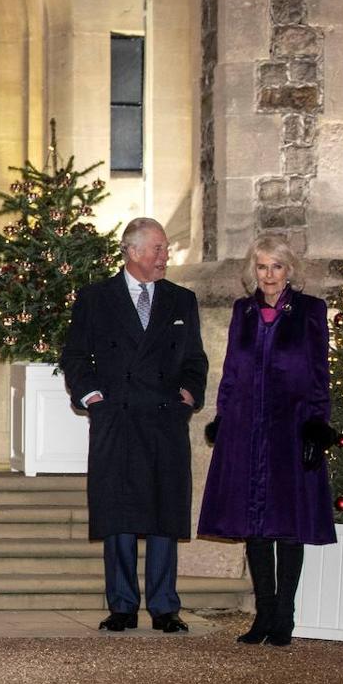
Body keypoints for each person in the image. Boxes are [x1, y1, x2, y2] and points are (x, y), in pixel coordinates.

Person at [59, 217, 208, 633]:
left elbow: (196, 360)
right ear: (132, 251)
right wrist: (93, 397)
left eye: (165, 249)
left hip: (164, 419)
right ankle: (122, 604)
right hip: (117, 420)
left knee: (164, 513)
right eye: (158, 248)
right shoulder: (95, 298)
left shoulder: (182, 300)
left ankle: (164, 607)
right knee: (119, 513)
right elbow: (74, 356)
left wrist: (189, 394)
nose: (165, 256)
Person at [198, 233, 337, 646]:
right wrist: (223, 418)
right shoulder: (243, 311)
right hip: (246, 427)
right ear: (252, 271)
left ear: (289, 270)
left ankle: (284, 617)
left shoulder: (311, 311)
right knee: (255, 525)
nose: (269, 275)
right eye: (262, 267)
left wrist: (317, 424)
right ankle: (263, 615)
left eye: (277, 266)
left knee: (289, 524)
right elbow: (232, 370)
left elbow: (318, 374)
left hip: (291, 428)